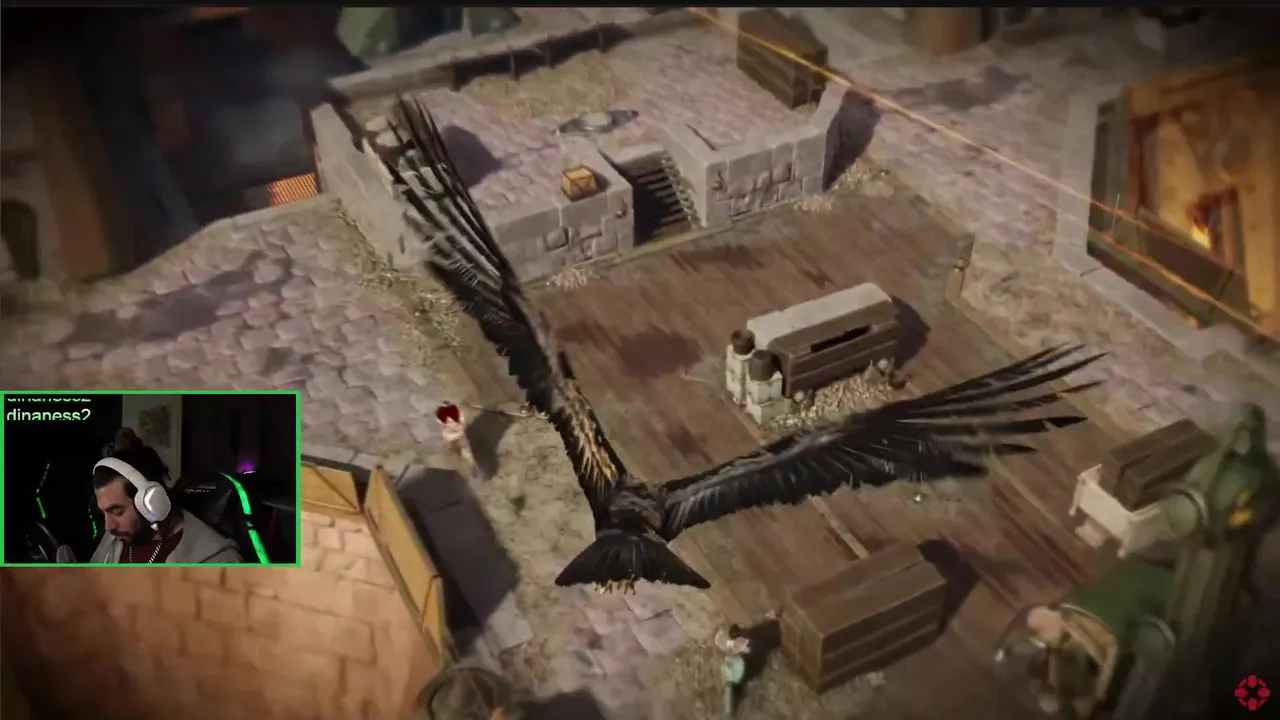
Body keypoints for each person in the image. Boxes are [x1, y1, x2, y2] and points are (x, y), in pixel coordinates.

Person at [89, 446, 242, 564]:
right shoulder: (114, 540)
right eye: (103, 513)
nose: (109, 526)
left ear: (151, 501)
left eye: (117, 512)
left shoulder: (216, 560)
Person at [714, 623, 751, 717]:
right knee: (734, 691)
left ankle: (731, 711)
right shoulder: (737, 644)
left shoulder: (733, 645)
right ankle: (732, 710)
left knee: (730, 692)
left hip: (733, 674)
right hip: (736, 673)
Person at [435, 402, 476, 471]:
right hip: (453, 436)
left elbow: (461, 420)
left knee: (466, 453)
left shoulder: (455, 415)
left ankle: (471, 466)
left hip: (457, 434)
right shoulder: (446, 429)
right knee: (458, 451)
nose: (449, 419)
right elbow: (447, 435)